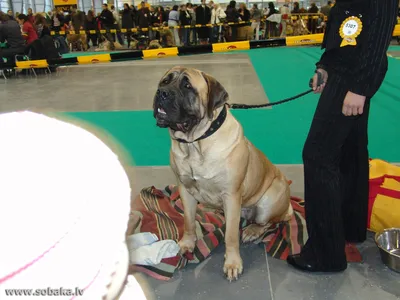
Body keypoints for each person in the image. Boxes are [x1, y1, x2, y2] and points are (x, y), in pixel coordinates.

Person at [287, 0, 399, 273]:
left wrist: (360, 87)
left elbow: (378, 36)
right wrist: (324, 65)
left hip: (354, 78)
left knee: (318, 155)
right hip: (341, 73)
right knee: (351, 150)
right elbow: (342, 25)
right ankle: (350, 227)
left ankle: (326, 254)